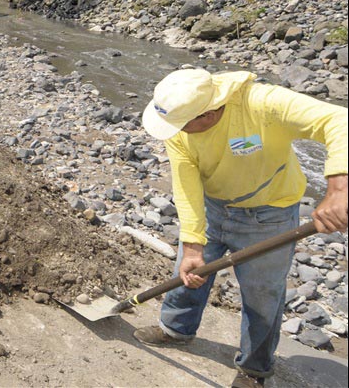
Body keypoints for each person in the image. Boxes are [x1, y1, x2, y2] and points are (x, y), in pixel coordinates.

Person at [134, 68, 347, 388]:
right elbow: (185, 183)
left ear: (208, 113)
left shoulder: (262, 103)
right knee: (187, 271)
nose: (176, 131)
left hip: (269, 216)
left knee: (263, 296)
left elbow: (338, 119)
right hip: (213, 206)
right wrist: (193, 243)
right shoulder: (179, 124)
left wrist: (338, 189)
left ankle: (255, 369)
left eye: (183, 125)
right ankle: (176, 329)